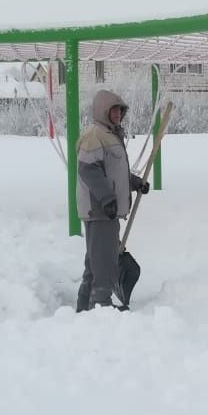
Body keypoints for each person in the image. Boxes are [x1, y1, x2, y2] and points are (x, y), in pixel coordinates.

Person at [76, 90, 149, 312]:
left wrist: (136, 183)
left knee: (95, 261)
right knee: (105, 262)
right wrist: (107, 198)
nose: (118, 114)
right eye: (113, 110)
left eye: (120, 110)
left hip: (106, 210)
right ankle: (101, 306)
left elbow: (115, 173)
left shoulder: (111, 135)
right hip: (100, 211)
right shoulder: (94, 135)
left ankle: (85, 307)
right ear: (103, 111)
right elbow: (89, 171)